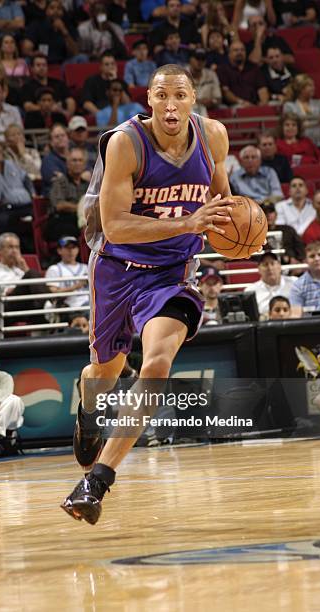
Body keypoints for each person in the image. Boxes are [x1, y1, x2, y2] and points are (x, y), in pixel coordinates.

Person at [61, 63, 235, 524]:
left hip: (172, 273)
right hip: (117, 267)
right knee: (106, 370)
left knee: (157, 362)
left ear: (193, 97)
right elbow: (116, 225)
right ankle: (88, 408)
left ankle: (95, 482)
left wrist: (238, 231)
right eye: (162, 96)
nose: (171, 104)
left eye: (180, 95)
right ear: (150, 99)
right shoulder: (125, 143)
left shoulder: (214, 136)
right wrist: (187, 222)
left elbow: (223, 209)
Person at [46, 148, 90, 241]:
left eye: (80, 160)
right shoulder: (60, 182)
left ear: (84, 165)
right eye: (74, 160)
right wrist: (80, 208)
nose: (77, 163)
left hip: (83, 220)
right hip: (62, 219)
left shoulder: (87, 184)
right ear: (67, 164)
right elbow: (59, 205)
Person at [22, 0, 79, 64]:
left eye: (59, 8)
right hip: (42, 62)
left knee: (81, 58)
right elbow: (25, 50)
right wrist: (34, 54)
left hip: (63, 62)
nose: (56, 11)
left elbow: (75, 52)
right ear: (46, 11)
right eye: (52, 8)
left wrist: (64, 31)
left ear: (63, 12)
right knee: (26, 61)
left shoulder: (68, 26)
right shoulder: (36, 25)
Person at [20, 53, 76, 119]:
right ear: (32, 68)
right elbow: (28, 106)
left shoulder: (59, 83)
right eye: (38, 65)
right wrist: (49, 109)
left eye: (44, 65)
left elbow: (70, 101)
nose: (41, 68)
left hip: (60, 116)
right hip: (37, 119)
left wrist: (68, 114)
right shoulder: (27, 86)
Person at [283, 74, 320, 147]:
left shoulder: (319, 104)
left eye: (313, 85)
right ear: (301, 89)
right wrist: (317, 123)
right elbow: (292, 127)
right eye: (310, 86)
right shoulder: (289, 106)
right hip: (299, 142)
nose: (313, 88)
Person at [217, 40, 269, 106]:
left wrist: (263, 103)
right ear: (229, 54)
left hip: (254, 104)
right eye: (236, 50)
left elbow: (262, 88)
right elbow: (225, 92)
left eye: (242, 50)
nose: (240, 52)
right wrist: (241, 102)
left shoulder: (254, 68)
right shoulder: (222, 70)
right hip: (234, 105)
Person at [290, 241, 320, 317]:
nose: (317, 259)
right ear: (306, 261)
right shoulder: (298, 285)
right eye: (312, 256)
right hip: (310, 327)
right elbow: (296, 316)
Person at [244, 251, 295, 316]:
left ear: (279, 266)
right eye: (265, 264)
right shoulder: (250, 291)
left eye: (272, 263)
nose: (270, 268)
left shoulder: (295, 283)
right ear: (259, 269)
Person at [45, 236, 89, 310]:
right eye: (67, 248)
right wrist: (76, 286)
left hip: (89, 304)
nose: (71, 251)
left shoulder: (86, 267)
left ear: (78, 250)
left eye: (73, 247)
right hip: (68, 307)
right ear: (59, 250)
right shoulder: (54, 269)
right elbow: (53, 292)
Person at [81, 51, 130, 117]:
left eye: (112, 64)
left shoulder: (120, 82)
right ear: (101, 67)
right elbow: (86, 103)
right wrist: (101, 115)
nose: (110, 67)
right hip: (101, 111)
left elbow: (127, 103)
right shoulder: (92, 80)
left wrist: (115, 81)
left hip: (120, 113)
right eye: (107, 64)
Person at [188, 49, 222, 113]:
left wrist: (212, 102)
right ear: (190, 60)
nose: (200, 61)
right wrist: (199, 102)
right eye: (197, 58)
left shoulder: (211, 75)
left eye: (203, 59)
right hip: (189, 110)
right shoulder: (182, 75)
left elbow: (218, 98)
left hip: (209, 110)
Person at [41, 123, 69, 196]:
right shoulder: (48, 160)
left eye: (63, 135)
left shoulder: (75, 154)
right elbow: (59, 182)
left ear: (67, 138)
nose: (60, 138)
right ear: (51, 142)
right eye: (56, 137)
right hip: (56, 197)